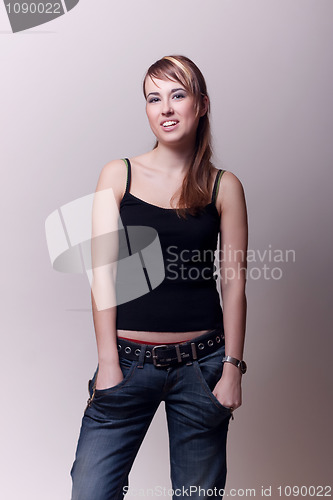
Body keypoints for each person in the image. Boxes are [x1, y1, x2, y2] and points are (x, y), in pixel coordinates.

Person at [70, 55, 248, 500]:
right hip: (127, 363)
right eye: (154, 98)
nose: (165, 108)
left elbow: (234, 285)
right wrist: (108, 363)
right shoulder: (118, 175)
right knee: (91, 491)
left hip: (203, 366)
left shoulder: (224, 186)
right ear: (147, 109)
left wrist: (232, 369)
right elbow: (102, 276)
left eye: (178, 95)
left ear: (201, 104)